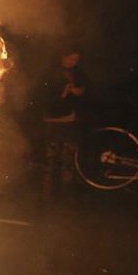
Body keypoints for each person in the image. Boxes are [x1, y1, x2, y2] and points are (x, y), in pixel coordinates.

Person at [40, 44, 88, 197]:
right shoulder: (51, 72)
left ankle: (66, 187)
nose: (73, 62)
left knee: (68, 153)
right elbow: (46, 96)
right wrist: (63, 93)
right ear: (63, 57)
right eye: (71, 59)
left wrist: (78, 92)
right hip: (53, 118)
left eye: (76, 60)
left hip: (69, 118)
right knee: (50, 154)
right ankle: (46, 189)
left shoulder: (76, 72)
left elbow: (83, 89)